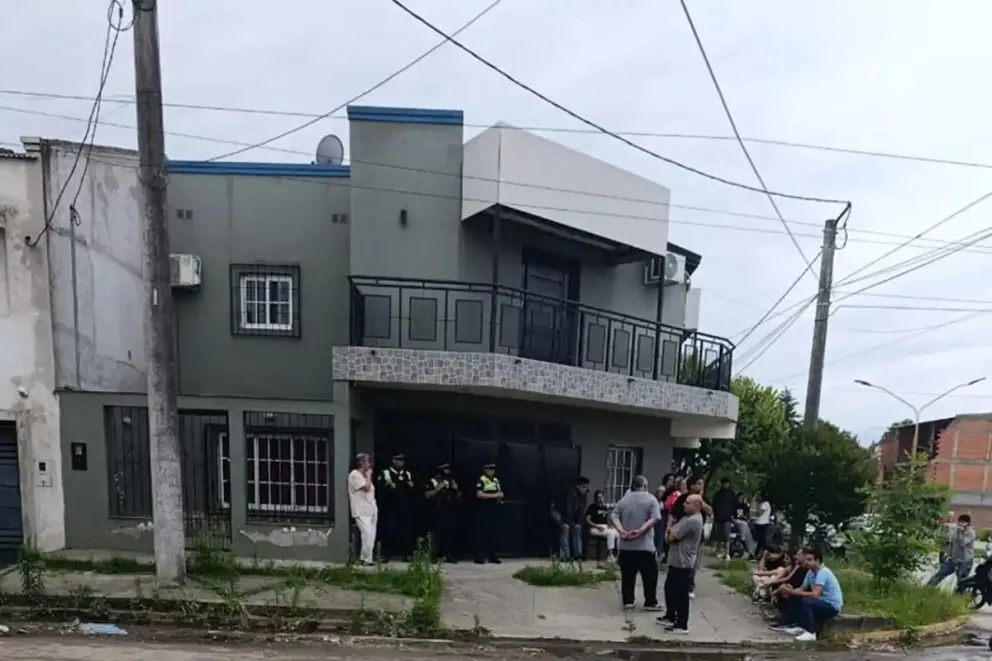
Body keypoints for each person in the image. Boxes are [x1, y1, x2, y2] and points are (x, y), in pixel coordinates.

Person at [610, 475, 662, 612]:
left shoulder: (623, 500)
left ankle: (628, 601)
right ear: (645, 486)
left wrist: (621, 531)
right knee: (649, 576)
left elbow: (614, 516)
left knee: (627, 576)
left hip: (626, 546)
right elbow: (655, 518)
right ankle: (650, 602)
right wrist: (641, 530)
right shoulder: (651, 499)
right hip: (645, 546)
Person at [772, 547, 843, 642]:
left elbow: (815, 595)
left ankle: (810, 632)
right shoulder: (810, 572)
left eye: (809, 560)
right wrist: (790, 591)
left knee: (806, 601)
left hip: (832, 606)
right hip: (820, 602)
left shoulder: (823, 573)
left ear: (817, 561)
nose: (807, 562)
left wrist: (794, 592)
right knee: (794, 598)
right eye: (806, 560)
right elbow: (802, 588)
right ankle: (799, 626)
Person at [658, 494, 704, 634]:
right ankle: (671, 616)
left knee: (681, 593)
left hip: (683, 562)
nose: (684, 504)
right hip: (676, 560)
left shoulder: (693, 521)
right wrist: (670, 532)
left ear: (697, 506)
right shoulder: (686, 518)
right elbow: (669, 536)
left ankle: (681, 624)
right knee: (670, 589)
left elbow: (671, 536)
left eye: (688, 503)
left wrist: (669, 528)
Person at [669, 476, 712, 598]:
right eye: (697, 483)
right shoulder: (682, 498)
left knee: (693, 562)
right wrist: (669, 528)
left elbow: (710, 511)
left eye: (701, 484)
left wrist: (700, 501)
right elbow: (673, 514)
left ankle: (690, 585)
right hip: (681, 532)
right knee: (680, 560)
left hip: (697, 535)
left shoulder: (703, 500)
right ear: (691, 485)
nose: (700, 486)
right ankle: (680, 584)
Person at [377, 453, 415, 560]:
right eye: (399, 460)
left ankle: (406, 554)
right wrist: (388, 486)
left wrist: (409, 486)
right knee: (389, 530)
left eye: (402, 460)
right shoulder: (385, 473)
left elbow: (411, 488)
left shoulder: (407, 473)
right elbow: (380, 489)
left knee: (405, 530)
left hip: (404, 507)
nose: (401, 462)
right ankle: (385, 554)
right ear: (393, 460)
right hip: (390, 508)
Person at [929, 513, 976, 588]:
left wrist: (961, 533)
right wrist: (948, 554)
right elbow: (952, 542)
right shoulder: (956, 531)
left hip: (964, 562)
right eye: (959, 521)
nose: (960, 523)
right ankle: (928, 587)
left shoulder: (971, 533)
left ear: (967, 523)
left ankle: (959, 594)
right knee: (941, 573)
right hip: (953, 559)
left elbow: (963, 543)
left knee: (961, 581)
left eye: (962, 522)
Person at [425, 462, 459, 563]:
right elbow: (427, 495)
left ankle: (449, 554)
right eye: (445, 469)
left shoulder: (451, 480)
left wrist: (455, 488)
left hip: (449, 509)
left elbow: (457, 494)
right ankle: (434, 555)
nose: (448, 471)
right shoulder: (433, 481)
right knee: (437, 534)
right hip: (438, 510)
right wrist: (438, 488)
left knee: (450, 533)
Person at [348, 453, 378, 566]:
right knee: (367, 534)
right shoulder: (354, 475)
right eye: (367, 462)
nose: (369, 464)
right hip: (361, 510)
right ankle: (367, 559)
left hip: (371, 509)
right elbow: (367, 487)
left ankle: (364, 557)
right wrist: (369, 475)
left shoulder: (364, 476)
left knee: (371, 535)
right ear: (361, 463)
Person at [474, 463, 504, 564]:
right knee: (482, 533)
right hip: (484, 509)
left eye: (493, 470)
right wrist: (495, 496)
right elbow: (479, 494)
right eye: (489, 469)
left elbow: (500, 492)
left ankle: (493, 556)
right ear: (485, 470)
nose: (491, 471)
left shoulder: (496, 480)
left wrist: (499, 496)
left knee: (493, 533)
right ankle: (479, 557)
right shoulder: (481, 479)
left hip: (494, 509)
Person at [771, 548, 808, 620]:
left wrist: (792, 591)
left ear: (804, 556)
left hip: (803, 594)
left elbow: (804, 587)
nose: (795, 557)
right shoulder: (798, 567)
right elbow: (791, 580)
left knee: (785, 592)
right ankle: (781, 615)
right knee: (781, 589)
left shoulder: (807, 570)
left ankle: (788, 619)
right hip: (796, 589)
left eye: (798, 555)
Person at [561, 477, 590, 560]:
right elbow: (568, 510)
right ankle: (566, 555)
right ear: (577, 486)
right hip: (562, 516)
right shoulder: (570, 494)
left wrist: (578, 523)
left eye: (586, 487)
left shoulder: (583, 495)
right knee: (565, 528)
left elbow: (581, 512)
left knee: (578, 529)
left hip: (572, 518)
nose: (585, 489)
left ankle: (577, 554)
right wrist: (572, 524)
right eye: (583, 487)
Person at [586, 489, 619, 560]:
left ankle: (618, 554)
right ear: (595, 498)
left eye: (601, 497)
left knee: (618, 534)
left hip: (604, 526)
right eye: (598, 497)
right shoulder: (592, 507)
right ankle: (610, 555)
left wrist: (610, 525)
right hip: (594, 527)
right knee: (610, 533)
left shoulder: (604, 507)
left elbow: (606, 519)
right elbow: (587, 520)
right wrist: (596, 526)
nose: (600, 499)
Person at [711, 478, 736, 559]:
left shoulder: (731, 494)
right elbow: (714, 504)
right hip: (718, 517)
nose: (725, 485)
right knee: (718, 535)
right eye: (724, 483)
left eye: (726, 483)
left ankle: (727, 552)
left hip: (727, 517)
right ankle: (719, 550)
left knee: (726, 535)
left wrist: (732, 514)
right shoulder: (718, 494)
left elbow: (734, 505)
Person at [732, 492, 755, 558]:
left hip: (744, 522)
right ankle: (748, 549)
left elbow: (748, 514)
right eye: (740, 498)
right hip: (737, 520)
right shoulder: (734, 505)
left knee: (748, 533)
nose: (741, 499)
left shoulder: (744, 506)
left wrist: (747, 518)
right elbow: (732, 515)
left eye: (743, 498)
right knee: (743, 525)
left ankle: (750, 551)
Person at [753, 491, 772, 556]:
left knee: (762, 540)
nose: (757, 497)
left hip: (763, 524)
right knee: (758, 540)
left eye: (758, 496)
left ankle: (759, 553)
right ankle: (757, 553)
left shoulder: (765, 504)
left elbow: (759, 513)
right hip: (758, 523)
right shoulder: (760, 504)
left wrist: (754, 510)